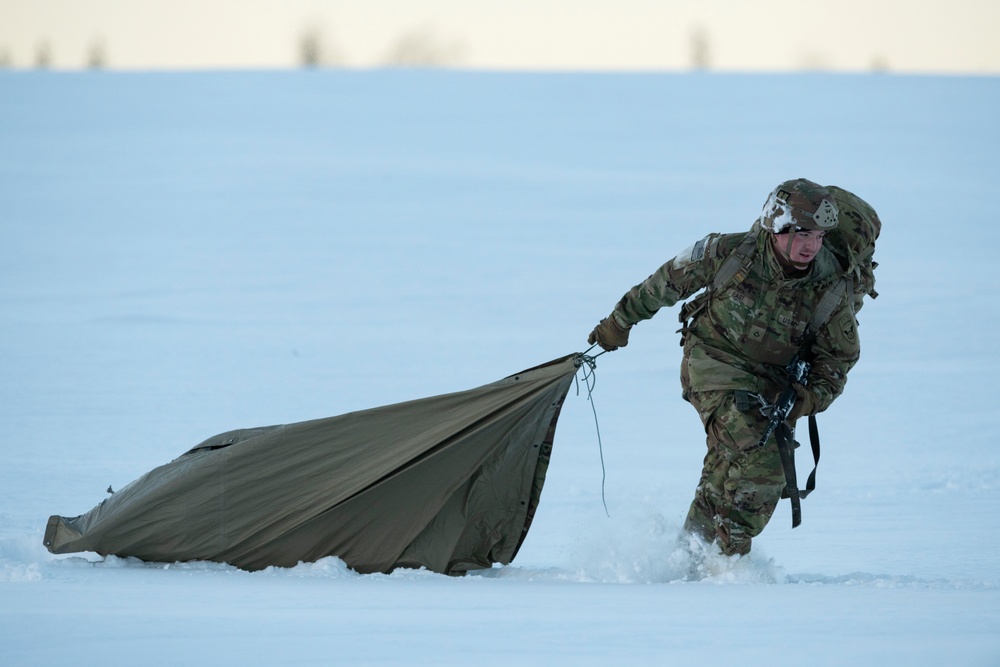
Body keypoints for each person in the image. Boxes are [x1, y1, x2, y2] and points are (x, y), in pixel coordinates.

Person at [587, 178, 861, 557]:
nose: (811, 246)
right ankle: (730, 559)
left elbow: (838, 361)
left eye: (818, 235)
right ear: (775, 226)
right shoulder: (728, 253)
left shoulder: (831, 285)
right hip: (713, 361)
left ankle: (690, 555)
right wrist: (619, 323)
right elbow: (664, 283)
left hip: (772, 382)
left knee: (726, 465)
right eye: (801, 233)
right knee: (762, 451)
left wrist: (809, 398)